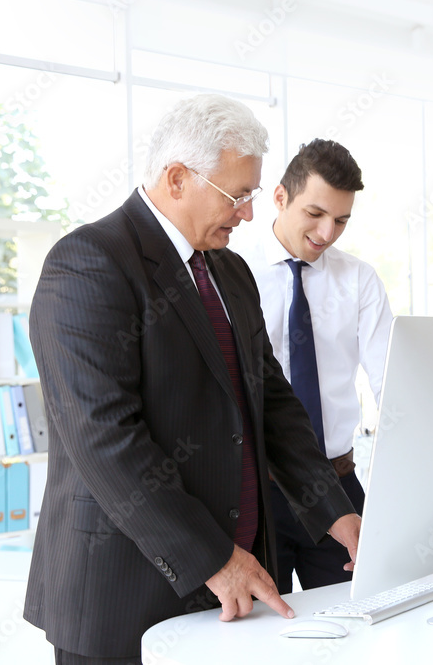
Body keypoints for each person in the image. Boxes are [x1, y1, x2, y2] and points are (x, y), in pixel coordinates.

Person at [23, 94, 361, 664]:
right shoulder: (88, 262)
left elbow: (273, 403)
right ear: (177, 179)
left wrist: (334, 509)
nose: (250, 213)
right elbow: (104, 440)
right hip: (125, 596)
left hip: (236, 593)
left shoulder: (230, 270)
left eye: (253, 195)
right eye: (238, 196)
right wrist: (213, 558)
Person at [235, 138, 393, 594]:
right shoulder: (231, 269)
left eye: (341, 220)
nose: (327, 233)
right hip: (257, 491)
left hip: (338, 483)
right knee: (264, 632)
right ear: (280, 197)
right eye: (315, 214)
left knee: (363, 618)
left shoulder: (358, 279)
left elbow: (391, 380)